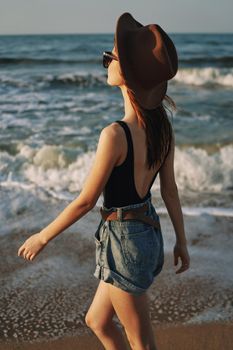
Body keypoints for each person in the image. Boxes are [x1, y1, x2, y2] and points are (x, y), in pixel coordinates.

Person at [18, 12, 190, 350]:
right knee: (97, 321)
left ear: (126, 74)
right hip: (146, 232)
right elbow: (169, 190)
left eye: (110, 57)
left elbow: (86, 201)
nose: (106, 60)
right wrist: (180, 241)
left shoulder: (115, 134)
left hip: (125, 242)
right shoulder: (162, 127)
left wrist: (43, 236)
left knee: (142, 343)